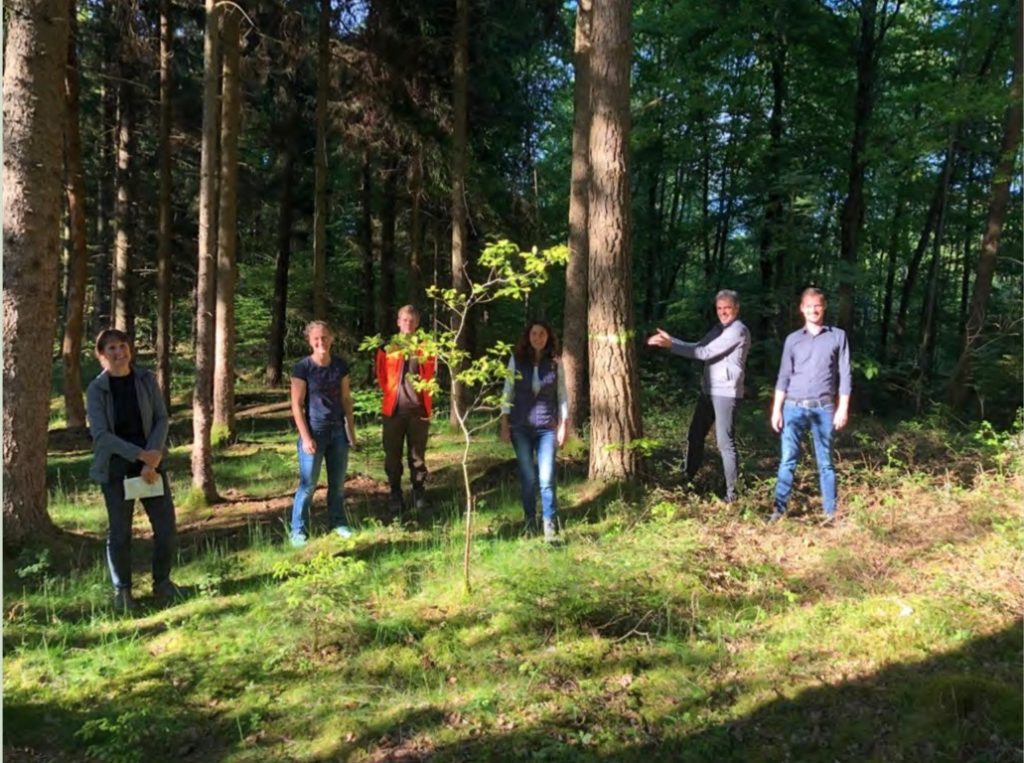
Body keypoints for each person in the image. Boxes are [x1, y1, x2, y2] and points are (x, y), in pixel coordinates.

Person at [86, 329, 180, 612]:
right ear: (102, 356)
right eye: (111, 349)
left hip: (150, 467)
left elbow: (162, 418)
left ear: (130, 349)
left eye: (122, 346)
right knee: (120, 533)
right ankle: (123, 593)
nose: (118, 352)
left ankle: (162, 584)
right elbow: (101, 435)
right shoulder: (96, 389)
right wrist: (140, 456)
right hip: (116, 469)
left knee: (165, 528)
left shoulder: (146, 379)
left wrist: (151, 460)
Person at [647, 289, 750, 503]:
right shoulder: (717, 329)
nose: (723, 312)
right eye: (719, 308)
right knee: (695, 436)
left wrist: (671, 345)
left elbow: (704, 354)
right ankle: (688, 479)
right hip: (708, 391)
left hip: (725, 393)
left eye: (727, 308)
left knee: (725, 443)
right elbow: (698, 347)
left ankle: (733, 495)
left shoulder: (738, 330)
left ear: (736, 309)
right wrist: (671, 340)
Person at [769, 287, 851, 524]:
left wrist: (842, 407)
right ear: (802, 309)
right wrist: (776, 409)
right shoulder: (793, 339)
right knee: (787, 460)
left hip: (823, 408)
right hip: (792, 407)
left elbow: (845, 374)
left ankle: (830, 514)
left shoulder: (838, 336)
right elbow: (783, 375)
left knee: (825, 463)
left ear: (823, 307)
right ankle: (778, 511)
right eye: (809, 306)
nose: (813, 309)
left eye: (817, 305)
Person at [289, 320, 357, 546]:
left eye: (325, 337)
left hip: (338, 432)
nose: (321, 342)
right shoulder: (303, 368)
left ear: (332, 339)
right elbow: (296, 405)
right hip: (314, 432)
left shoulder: (340, 366)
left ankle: (338, 523)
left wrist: (351, 432)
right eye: (316, 338)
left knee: (337, 484)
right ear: (310, 341)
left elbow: (346, 400)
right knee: (308, 484)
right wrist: (306, 437)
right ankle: (298, 530)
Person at [500, 321, 569, 542]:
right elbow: (507, 392)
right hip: (520, 427)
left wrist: (564, 425)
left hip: (547, 428)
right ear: (528, 336)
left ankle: (549, 523)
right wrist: (504, 423)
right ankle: (530, 520)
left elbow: (562, 395)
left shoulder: (556, 363)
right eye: (534, 333)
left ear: (548, 337)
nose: (538, 337)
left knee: (546, 477)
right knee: (528, 478)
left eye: (542, 334)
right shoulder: (516, 360)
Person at [375, 305, 436, 514]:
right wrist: (392, 394)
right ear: (398, 322)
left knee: (417, 455)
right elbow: (381, 375)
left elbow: (432, 375)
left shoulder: (427, 347)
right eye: (404, 320)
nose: (408, 323)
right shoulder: (387, 348)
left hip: (419, 410)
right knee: (392, 455)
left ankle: (419, 493)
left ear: (417, 324)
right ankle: (395, 493)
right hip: (393, 410)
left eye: (411, 320)